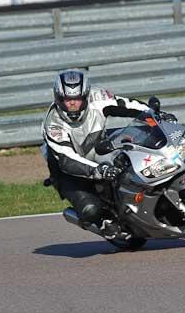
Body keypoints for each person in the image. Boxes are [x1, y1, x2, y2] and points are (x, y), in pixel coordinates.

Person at [41, 69, 174, 236]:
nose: (73, 104)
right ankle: (103, 224)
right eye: (68, 99)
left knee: (134, 158)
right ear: (58, 98)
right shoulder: (53, 125)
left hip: (96, 145)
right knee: (91, 210)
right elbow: (68, 160)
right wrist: (98, 170)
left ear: (86, 96)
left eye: (77, 99)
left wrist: (155, 114)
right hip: (67, 169)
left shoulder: (98, 97)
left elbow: (126, 105)